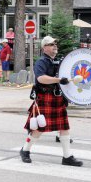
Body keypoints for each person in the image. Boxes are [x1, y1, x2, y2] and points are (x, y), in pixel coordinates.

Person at [19, 35, 83, 167]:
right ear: (44, 48)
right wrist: (59, 80)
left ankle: (67, 157)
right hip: (45, 97)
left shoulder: (59, 62)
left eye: (55, 43)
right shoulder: (41, 61)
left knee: (64, 127)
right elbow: (41, 78)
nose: (55, 46)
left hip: (57, 98)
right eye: (51, 44)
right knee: (39, 128)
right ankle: (25, 150)